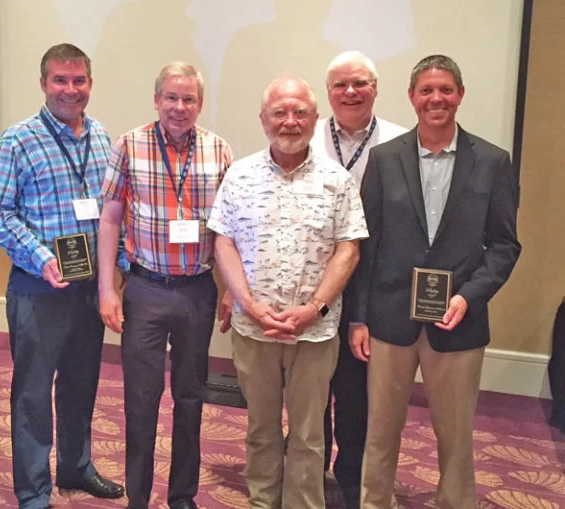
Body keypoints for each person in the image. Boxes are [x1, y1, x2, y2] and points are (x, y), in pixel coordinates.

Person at [349, 55, 521, 509]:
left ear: (460, 95)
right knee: (380, 431)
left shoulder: (493, 162)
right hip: (389, 320)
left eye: (445, 89)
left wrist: (469, 296)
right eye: (426, 90)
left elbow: (504, 245)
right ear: (411, 97)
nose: (436, 99)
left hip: (458, 321)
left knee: (456, 436)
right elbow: (367, 245)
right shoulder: (384, 159)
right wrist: (358, 318)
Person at [209, 75, 368, 509]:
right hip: (253, 329)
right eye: (279, 112)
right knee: (260, 428)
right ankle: (262, 501)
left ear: (315, 119)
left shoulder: (338, 181)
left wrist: (313, 309)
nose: (290, 121)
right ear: (264, 119)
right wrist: (247, 303)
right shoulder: (239, 176)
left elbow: (348, 250)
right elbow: (223, 243)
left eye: (300, 112)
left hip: (314, 334)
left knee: (309, 434)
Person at [0, 43, 124, 509]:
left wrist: (118, 266)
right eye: (60, 80)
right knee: (34, 394)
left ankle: (77, 467)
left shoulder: (101, 136)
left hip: (89, 290)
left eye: (78, 80)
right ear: (43, 84)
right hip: (39, 288)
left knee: (81, 384)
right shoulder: (18, 140)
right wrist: (41, 256)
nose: (70, 89)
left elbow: (110, 211)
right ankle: (34, 489)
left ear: (90, 83)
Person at [98, 62, 233, 509]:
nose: (179, 107)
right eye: (171, 97)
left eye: (188, 99)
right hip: (146, 290)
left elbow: (230, 229)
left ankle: (182, 496)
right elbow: (110, 218)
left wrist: (231, 289)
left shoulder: (218, 150)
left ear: (200, 103)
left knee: (191, 397)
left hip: (197, 290)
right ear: (156, 100)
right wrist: (106, 288)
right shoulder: (129, 145)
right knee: (141, 399)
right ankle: (138, 498)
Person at [310, 50, 407, 509]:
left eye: (360, 83)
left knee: (357, 389)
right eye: (340, 85)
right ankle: (309, 468)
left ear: (376, 89)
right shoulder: (305, 136)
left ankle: (352, 474)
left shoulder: (400, 142)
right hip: (312, 281)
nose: (351, 92)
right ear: (328, 92)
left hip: (371, 283)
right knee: (311, 385)